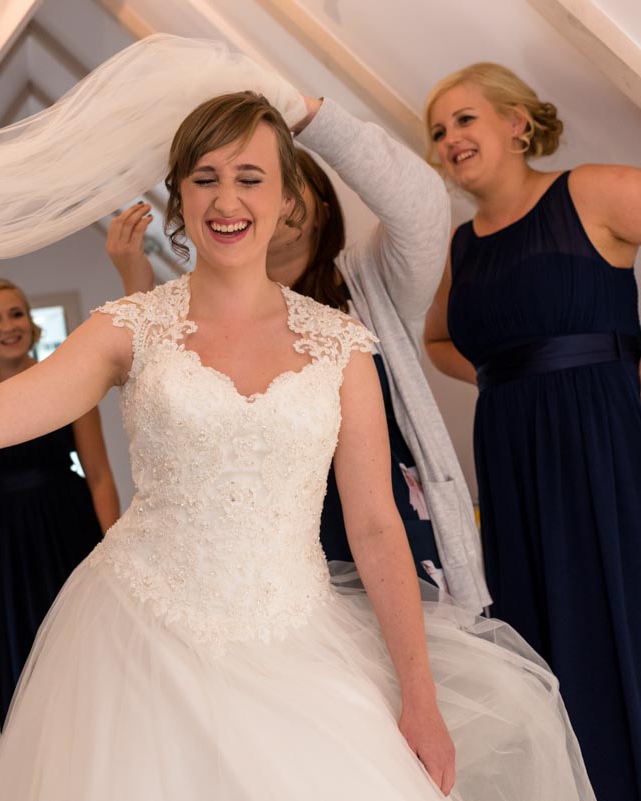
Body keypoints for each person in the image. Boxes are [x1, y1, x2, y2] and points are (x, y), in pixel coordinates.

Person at [0, 91, 594, 800]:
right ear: (180, 197)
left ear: (286, 195)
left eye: (250, 177)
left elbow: (377, 526)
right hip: (138, 640)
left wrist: (419, 694)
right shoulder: (129, 326)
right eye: (205, 179)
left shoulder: (343, 344)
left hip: (298, 639)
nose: (228, 200)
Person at [423, 62, 641, 801]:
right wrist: (509, 379)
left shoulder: (589, 191)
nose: (449, 139)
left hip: (619, 447)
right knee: (556, 651)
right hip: (517, 463)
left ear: (517, 123)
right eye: (438, 132)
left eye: (464, 119)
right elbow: (440, 340)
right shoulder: (462, 245)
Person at [106, 94, 487, 609]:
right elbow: (160, 408)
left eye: (264, 181)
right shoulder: (204, 305)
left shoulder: (372, 281)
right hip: (269, 548)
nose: (243, 197)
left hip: (388, 522)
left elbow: (421, 204)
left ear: (311, 207)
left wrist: (303, 111)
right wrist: (135, 284)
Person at [0, 277, 119, 722]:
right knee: (26, 639)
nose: (8, 326)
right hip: (6, 532)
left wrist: (114, 551)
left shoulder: (67, 379)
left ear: (30, 323)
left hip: (67, 521)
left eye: (16, 314)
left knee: (84, 634)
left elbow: (101, 476)